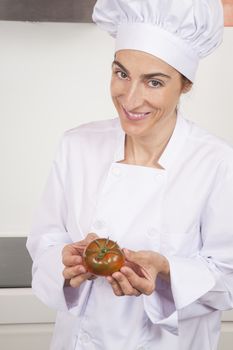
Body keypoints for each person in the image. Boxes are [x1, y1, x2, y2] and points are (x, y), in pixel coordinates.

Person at [26, 0, 233, 349]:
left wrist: (165, 275)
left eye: (153, 82)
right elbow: (44, 242)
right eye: (121, 73)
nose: (130, 99)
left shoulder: (216, 161)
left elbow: (227, 277)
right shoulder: (77, 145)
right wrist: (64, 262)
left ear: (184, 85)